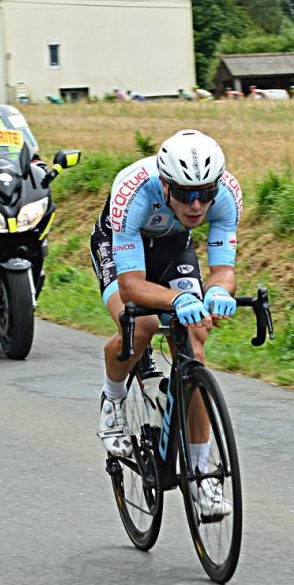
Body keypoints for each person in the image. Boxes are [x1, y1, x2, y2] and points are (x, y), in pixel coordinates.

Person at [89, 129, 242, 519]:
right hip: (122, 245)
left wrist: (219, 292)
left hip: (174, 245)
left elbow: (223, 270)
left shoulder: (227, 196)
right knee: (139, 326)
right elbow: (131, 285)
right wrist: (178, 298)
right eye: (186, 194)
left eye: (205, 193)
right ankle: (113, 395)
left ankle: (203, 476)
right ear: (164, 184)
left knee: (194, 340)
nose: (196, 205)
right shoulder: (133, 193)